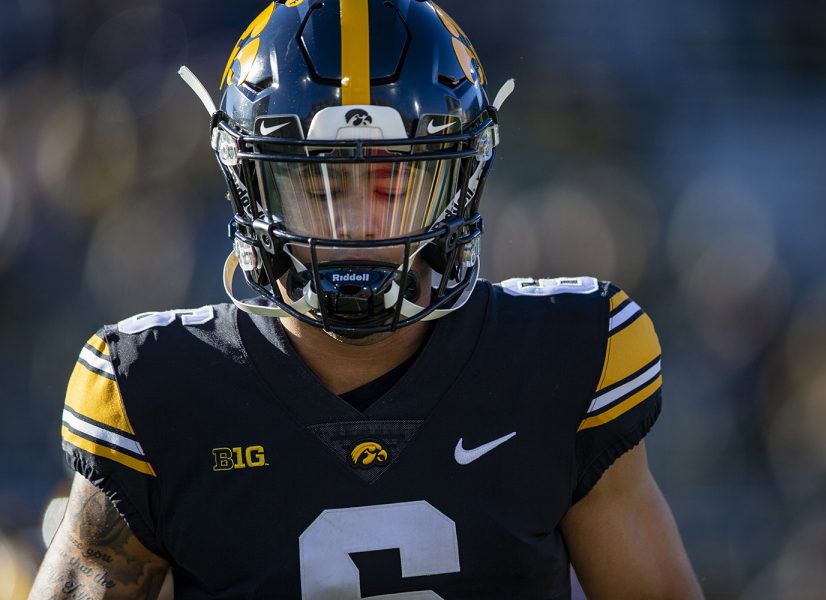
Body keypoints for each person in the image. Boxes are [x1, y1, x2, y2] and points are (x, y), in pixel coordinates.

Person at [30, 1, 703, 598]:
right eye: (318, 185)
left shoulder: (563, 360)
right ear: (250, 184)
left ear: (460, 180)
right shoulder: (154, 394)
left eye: (390, 185)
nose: (354, 226)